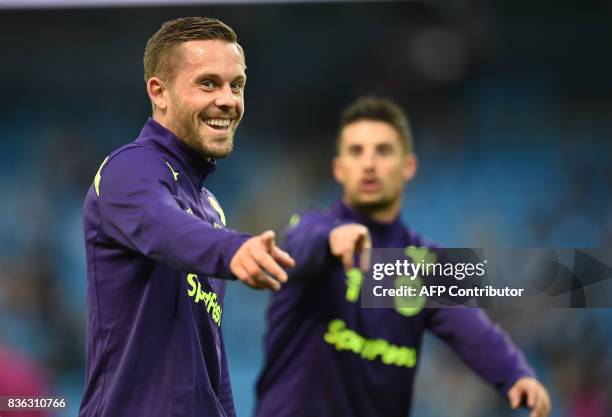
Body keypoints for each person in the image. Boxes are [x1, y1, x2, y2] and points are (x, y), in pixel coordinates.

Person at [255, 97, 551, 417]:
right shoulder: (311, 228)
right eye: (356, 151)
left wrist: (515, 374)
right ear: (339, 169)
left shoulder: (426, 266)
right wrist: (331, 239)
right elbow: (299, 246)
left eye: (383, 151)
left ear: (408, 166)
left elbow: (474, 331)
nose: (369, 164)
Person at [79, 17, 294, 417]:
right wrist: (233, 248)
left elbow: (209, 355)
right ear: (159, 93)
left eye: (237, 85)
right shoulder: (129, 168)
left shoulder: (210, 208)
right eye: (208, 83)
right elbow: (161, 225)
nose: (229, 100)